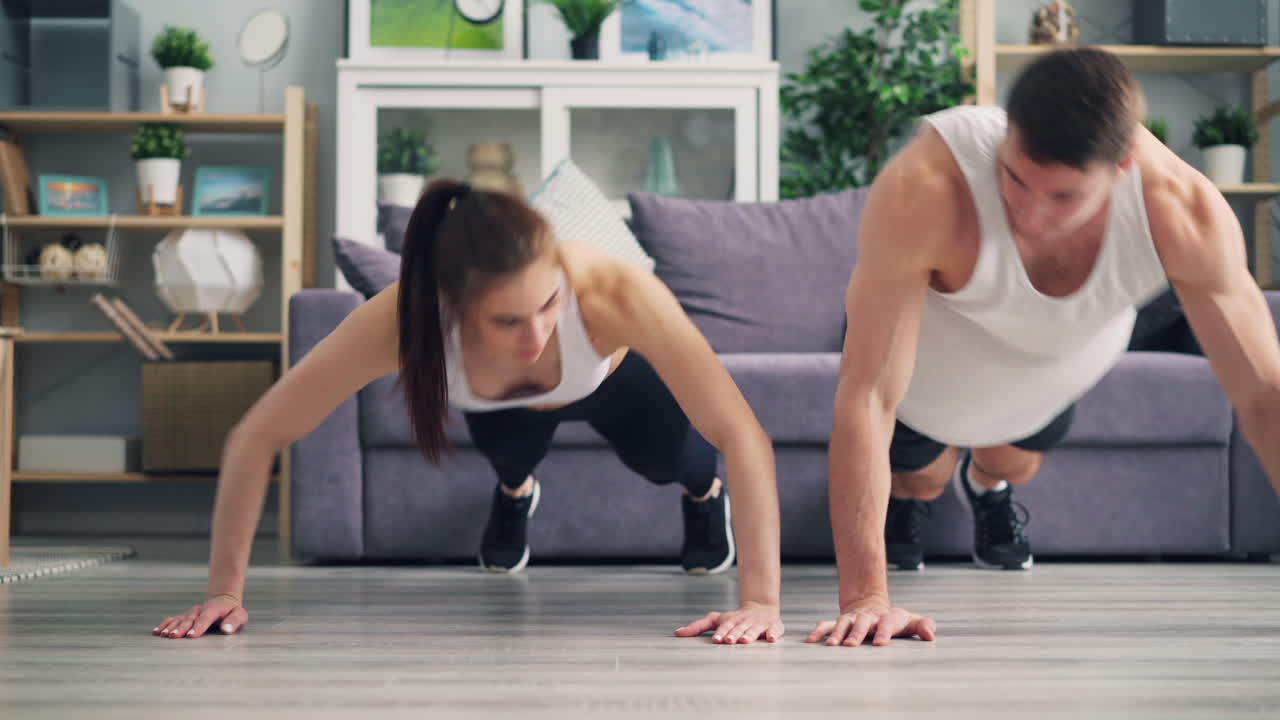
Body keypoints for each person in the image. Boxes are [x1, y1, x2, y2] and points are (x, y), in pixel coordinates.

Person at [154, 180, 784, 645]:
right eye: (506, 321)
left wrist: (759, 602)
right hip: (504, 403)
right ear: (451, 305)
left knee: (668, 460)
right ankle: (517, 493)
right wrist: (224, 593)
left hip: (610, 382)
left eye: (549, 305)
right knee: (511, 458)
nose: (536, 336)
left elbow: (742, 432)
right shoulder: (403, 319)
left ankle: (704, 497)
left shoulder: (613, 291)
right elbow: (257, 434)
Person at [809, 46, 1280, 648]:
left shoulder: (1184, 213)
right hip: (928, 385)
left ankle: (987, 488)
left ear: (1123, 167)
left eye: (1063, 198)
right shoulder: (924, 186)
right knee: (922, 480)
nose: (1030, 216)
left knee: (1012, 463)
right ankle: (914, 495)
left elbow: (1263, 397)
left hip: (1048, 374)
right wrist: (866, 599)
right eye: (1015, 178)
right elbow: (868, 394)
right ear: (1007, 132)